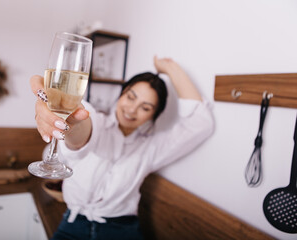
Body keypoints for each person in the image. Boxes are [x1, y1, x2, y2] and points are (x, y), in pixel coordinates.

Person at [31, 56, 214, 240]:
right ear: (122, 94)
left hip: (122, 230)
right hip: (73, 225)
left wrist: (170, 67)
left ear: (153, 116)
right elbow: (82, 129)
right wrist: (73, 121)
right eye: (130, 97)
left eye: (145, 107)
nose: (132, 109)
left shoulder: (151, 148)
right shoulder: (98, 122)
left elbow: (201, 123)